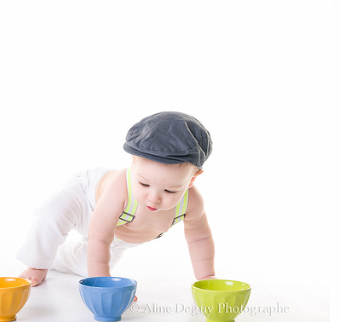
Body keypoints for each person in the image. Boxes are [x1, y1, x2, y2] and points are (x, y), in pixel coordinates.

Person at [17, 111, 216, 286]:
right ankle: (37, 264)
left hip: (118, 237)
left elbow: (200, 238)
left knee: (87, 268)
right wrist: (103, 285)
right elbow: (99, 237)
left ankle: (57, 258)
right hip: (86, 199)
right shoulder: (120, 187)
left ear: (192, 179)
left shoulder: (192, 203)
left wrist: (207, 276)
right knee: (53, 214)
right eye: (144, 184)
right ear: (133, 165)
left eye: (170, 191)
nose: (154, 198)